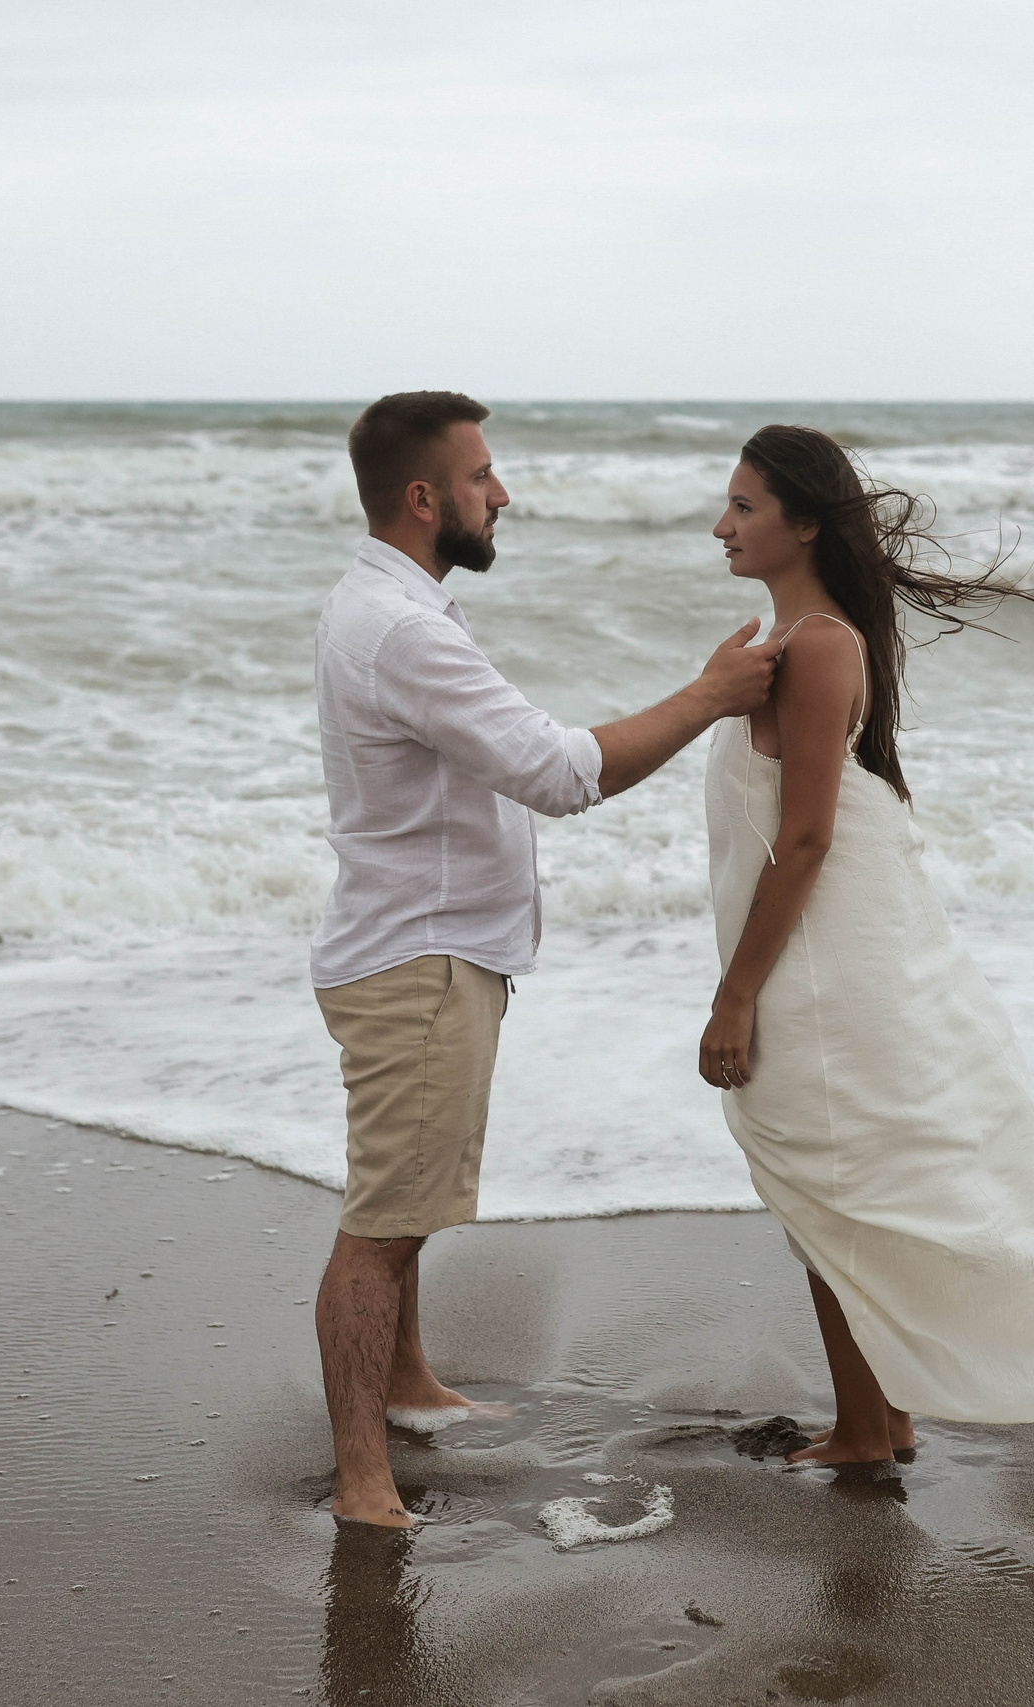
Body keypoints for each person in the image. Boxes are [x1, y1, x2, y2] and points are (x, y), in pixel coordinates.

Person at [311, 390, 777, 1527]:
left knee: (407, 1203)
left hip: (420, 948)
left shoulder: (393, 605)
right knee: (382, 1225)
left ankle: (409, 1385)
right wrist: (712, 695)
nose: (502, 494)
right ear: (424, 499)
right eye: (481, 478)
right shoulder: (405, 629)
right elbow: (563, 774)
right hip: (418, 961)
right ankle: (360, 1480)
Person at [698, 424, 1034, 1466]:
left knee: (834, 1195)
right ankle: (875, 1420)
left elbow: (804, 837)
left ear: (802, 524)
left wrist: (734, 996)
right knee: (833, 1197)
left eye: (744, 507)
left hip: (816, 973)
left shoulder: (818, 646)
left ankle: (866, 1427)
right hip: (821, 956)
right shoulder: (788, 642)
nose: (723, 525)